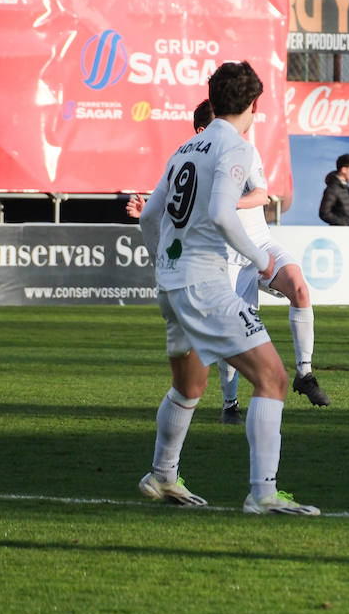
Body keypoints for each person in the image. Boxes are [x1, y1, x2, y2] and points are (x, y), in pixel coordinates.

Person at [136, 61, 319, 515]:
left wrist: (164, 261)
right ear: (254, 104)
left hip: (173, 286)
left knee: (188, 387)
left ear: (213, 99)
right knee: (273, 378)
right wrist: (260, 260)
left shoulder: (185, 148)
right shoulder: (234, 147)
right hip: (205, 285)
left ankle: (162, 476)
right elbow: (222, 213)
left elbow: (147, 217)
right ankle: (263, 493)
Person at [128, 100, 332, 419]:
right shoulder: (190, 159)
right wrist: (150, 213)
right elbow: (172, 210)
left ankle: (304, 374)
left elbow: (262, 195)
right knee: (238, 330)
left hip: (259, 243)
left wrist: (229, 202)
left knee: (300, 289)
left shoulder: (243, 149)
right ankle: (230, 404)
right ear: (202, 131)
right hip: (226, 256)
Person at [318, 154, 349, 226]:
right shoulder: (332, 189)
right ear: (344, 169)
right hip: (340, 234)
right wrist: (344, 223)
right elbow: (324, 213)